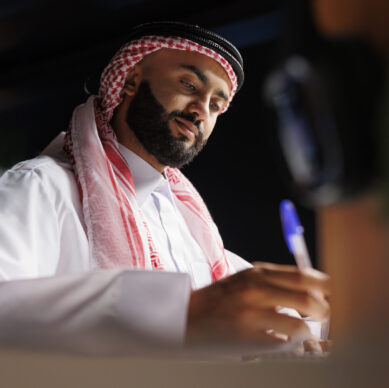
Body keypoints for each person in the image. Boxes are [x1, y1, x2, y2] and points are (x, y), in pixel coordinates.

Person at [0, 21, 329, 359]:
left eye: (216, 105)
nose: (201, 110)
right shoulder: (41, 188)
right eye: (188, 84)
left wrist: (308, 337)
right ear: (129, 81)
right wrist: (174, 315)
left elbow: (262, 307)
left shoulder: (189, 227)